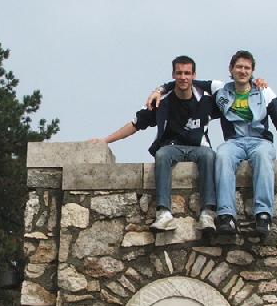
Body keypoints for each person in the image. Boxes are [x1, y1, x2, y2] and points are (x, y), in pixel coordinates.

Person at [149, 50, 277, 236]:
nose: (243, 71)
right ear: (231, 69)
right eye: (239, 67)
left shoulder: (263, 91)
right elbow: (185, 81)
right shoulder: (220, 89)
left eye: (247, 68)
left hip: (260, 141)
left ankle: (263, 215)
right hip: (234, 142)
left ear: (252, 71)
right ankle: (226, 216)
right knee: (223, 156)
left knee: (263, 157)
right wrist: (159, 90)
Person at [89, 55, 218, 233]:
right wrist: (105, 141)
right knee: (162, 154)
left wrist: (255, 84)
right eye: (179, 73)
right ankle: (164, 213)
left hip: (199, 148)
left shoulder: (206, 99)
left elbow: (232, 101)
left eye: (187, 73)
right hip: (172, 147)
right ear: (173, 75)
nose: (183, 77)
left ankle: (207, 213)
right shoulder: (161, 101)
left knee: (210, 156)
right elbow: (135, 124)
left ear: (194, 76)